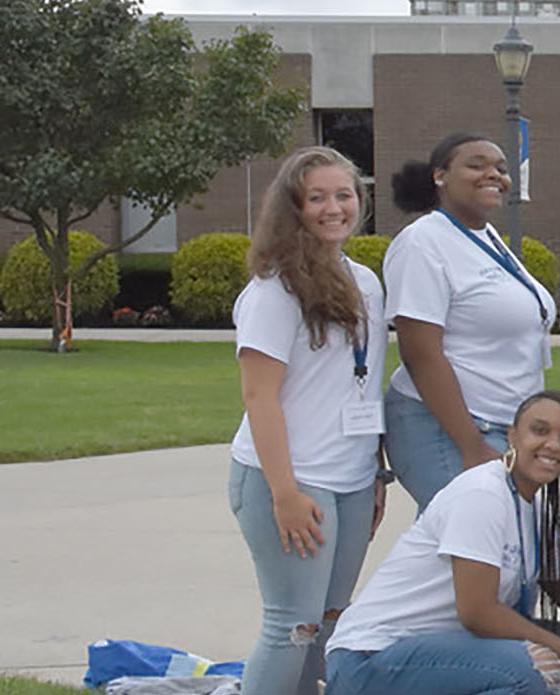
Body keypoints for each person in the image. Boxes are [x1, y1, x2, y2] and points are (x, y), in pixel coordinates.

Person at [327, 392, 560, 694]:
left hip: (447, 653)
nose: (553, 444)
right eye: (540, 430)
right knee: (534, 666)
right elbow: (477, 612)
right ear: (512, 436)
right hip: (373, 655)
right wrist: (557, 646)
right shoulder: (483, 493)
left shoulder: (539, 510)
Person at [228, 146, 390, 695]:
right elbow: (259, 396)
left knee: (329, 623)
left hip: (350, 478)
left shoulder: (365, 281)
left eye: (343, 195)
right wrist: (285, 492)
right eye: (316, 197)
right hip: (292, 480)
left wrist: (375, 474)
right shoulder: (274, 290)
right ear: (292, 207)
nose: (333, 208)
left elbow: (363, 381)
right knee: (292, 625)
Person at [382, 132, 557, 510]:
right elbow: (420, 353)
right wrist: (470, 445)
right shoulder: (422, 243)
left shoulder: (488, 236)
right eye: (476, 165)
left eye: (500, 168)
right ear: (440, 176)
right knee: (464, 546)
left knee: (483, 553)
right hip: (446, 428)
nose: (493, 174)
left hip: (500, 425)